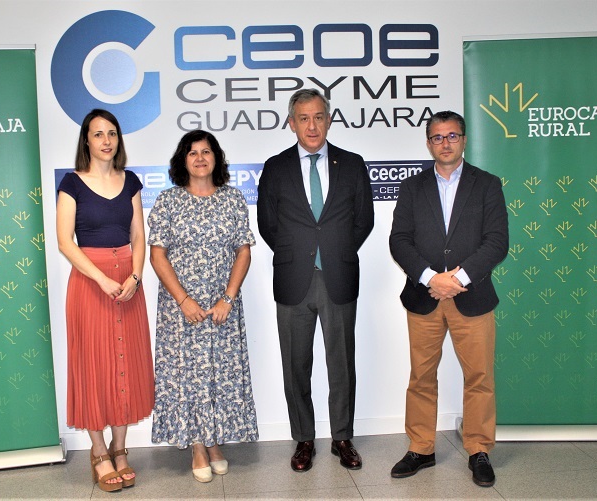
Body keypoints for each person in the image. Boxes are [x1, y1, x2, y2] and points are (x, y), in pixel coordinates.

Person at [388, 110, 508, 487]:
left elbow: (497, 242)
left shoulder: (487, 184)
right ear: (429, 143)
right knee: (421, 377)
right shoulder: (412, 187)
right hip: (424, 296)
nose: (445, 143)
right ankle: (421, 448)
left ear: (464, 140)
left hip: (472, 295)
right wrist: (431, 278)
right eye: (438, 137)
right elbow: (399, 240)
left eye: (452, 136)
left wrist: (457, 279)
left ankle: (479, 449)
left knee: (479, 377)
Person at [257, 89, 375, 472]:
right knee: (296, 365)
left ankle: (342, 437)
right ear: (292, 123)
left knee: (342, 363)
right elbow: (268, 224)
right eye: (304, 118)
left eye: (319, 117)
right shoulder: (276, 167)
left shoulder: (352, 164)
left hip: (339, 276)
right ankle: (304, 439)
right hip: (294, 279)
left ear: (329, 120)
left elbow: (364, 220)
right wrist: (299, 252)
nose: (312, 125)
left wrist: (337, 250)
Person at [149, 129, 258, 483]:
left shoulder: (233, 199)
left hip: (222, 306)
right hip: (180, 308)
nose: (200, 158)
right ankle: (197, 445)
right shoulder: (168, 200)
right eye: (192, 152)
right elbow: (157, 255)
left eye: (206, 151)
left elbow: (243, 251)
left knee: (218, 374)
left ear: (216, 158)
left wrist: (228, 297)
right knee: (187, 375)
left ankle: (214, 442)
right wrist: (183, 300)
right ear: (183, 160)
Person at [56, 109, 154, 492]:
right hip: (89, 282)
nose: (106, 140)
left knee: (124, 362)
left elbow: (139, 236)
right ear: (87, 140)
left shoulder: (131, 182)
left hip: (128, 282)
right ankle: (98, 451)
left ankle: (120, 447)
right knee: (93, 365)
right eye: (98, 134)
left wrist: (135, 276)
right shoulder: (72, 183)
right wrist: (100, 278)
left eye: (112, 133)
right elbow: (65, 242)